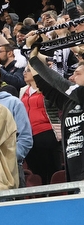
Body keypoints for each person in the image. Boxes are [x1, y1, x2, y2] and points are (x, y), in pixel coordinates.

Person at [25, 32, 84, 182]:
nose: (71, 77)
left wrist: (34, 59)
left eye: (77, 73)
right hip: (74, 174)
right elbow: (45, 84)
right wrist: (32, 52)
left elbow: (57, 80)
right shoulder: (69, 101)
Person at [19, 64, 63, 183]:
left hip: (47, 132)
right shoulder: (23, 90)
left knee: (53, 170)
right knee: (37, 172)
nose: (24, 73)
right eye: (24, 70)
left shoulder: (47, 88)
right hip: (29, 135)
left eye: (28, 70)